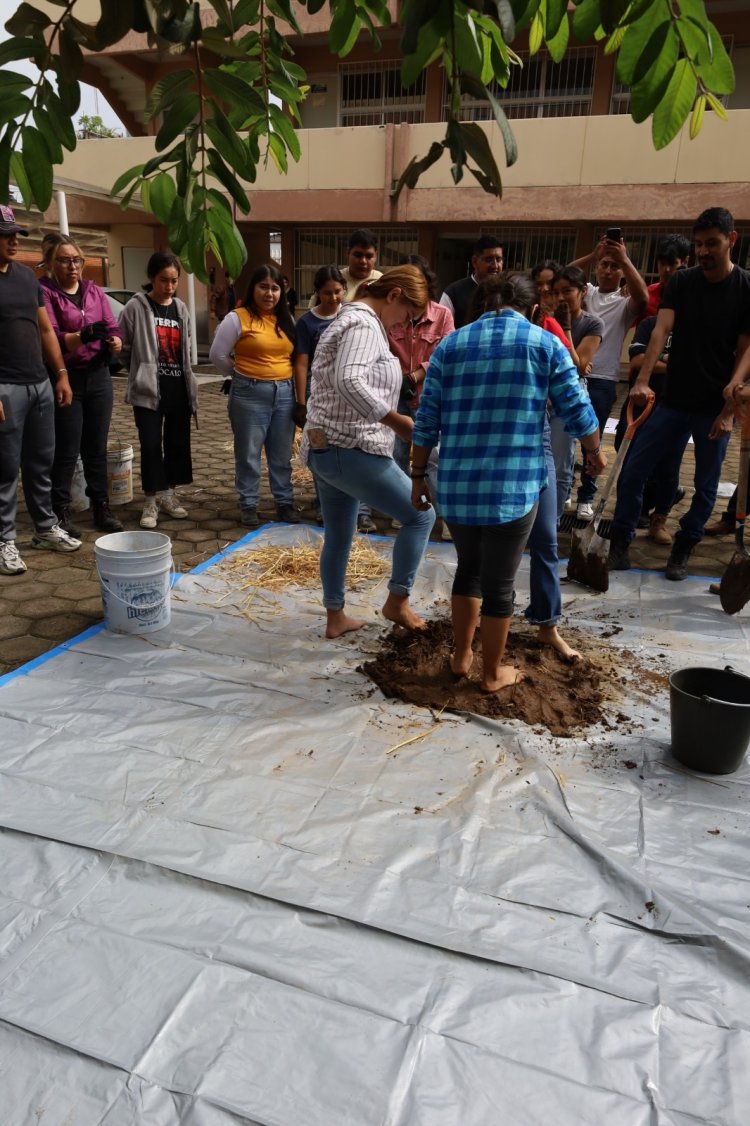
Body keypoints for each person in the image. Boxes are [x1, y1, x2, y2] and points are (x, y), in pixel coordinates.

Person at [412, 273, 603, 692]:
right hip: (513, 487)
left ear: (480, 306)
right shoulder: (545, 343)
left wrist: (417, 475)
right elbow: (577, 408)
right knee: (500, 584)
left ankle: (462, 656)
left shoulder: (450, 345)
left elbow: (426, 419)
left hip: (458, 485)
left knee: (469, 571)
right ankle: (492, 673)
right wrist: (594, 450)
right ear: (534, 310)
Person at [608, 207, 750, 580]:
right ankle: (620, 538)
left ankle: (685, 546)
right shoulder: (683, 283)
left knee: (706, 483)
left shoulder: (746, 288)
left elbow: (746, 349)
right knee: (635, 469)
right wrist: (640, 381)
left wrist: (730, 403)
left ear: (731, 240)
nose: (704, 251)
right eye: (699, 244)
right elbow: (660, 331)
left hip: (713, 408)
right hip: (672, 400)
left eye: (712, 244)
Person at [466, 276, 598, 662]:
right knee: (487, 549)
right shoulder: (465, 344)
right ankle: (477, 628)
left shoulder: (543, 343)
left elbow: (571, 400)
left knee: (544, 542)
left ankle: (546, 626)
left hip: (532, 449)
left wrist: (590, 445)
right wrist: (594, 451)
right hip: (487, 451)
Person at [301, 265, 435, 638]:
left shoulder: (348, 319)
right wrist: (396, 422)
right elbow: (348, 378)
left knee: (340, 535)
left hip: (325, 447)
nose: (402, 325)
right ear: (393, 296)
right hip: (351, 447)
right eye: (406, 315)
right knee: (420, 517)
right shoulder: (363, 324)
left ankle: (335, 617)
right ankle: (398, 601)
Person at [0, 207, 82, 574]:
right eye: (5, 235)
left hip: (39, 383)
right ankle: (4, 540)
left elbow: (46, 330)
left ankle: (45, 528)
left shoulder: (24, 278)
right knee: (5, 467)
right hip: (5, 388)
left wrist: (61, 374)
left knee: (40, 462)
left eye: (15, 233)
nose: (14, 240)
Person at [39, 233, 123, 536]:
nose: (72, 266)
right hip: (67, 377)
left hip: (98, 375)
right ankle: (59, 510)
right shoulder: (45, 292)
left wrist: (115, 341)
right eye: (64, 260)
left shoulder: (93, 290)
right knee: (67, 447)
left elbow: (112, 326)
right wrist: (85, 335)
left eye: (76, 259)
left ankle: (101, 504)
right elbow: (54, 337)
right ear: (49, 262)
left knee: (96, 447)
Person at [210, 264, 300, 528]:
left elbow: (293, 357)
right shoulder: (237, 317)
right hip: (249, 393)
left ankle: (284, 502)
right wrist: (240, 374)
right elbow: (218, 355)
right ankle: (249, 504)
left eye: (275, 288)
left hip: (284, 393)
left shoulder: (286, 320)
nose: (269, 293)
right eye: (263, 287)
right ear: (253, 289)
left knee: (281, 455)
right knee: (248, 453)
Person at [567, 234, 648, 520]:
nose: (608, 270)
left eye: (615, 266)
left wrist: (626, 260)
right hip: (569, 374)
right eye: (604, 264)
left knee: (594, 441)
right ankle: (565, 488)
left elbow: (644, 298)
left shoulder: (623, 301)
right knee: (563, 438)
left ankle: (586, 497)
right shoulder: (585, 292)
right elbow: (567, 276)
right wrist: (592, 255)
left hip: (602, 380)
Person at [119, 251, 198, 529]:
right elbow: (124, 347)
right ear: (151, 278)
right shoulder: (136, 307)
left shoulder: (180, 308)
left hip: (178, 388)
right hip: (148, 391)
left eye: (174, 280)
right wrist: (140, 373)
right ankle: (150, 502)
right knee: (151, 445)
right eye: (164, 280)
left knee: (177, 444)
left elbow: (185, 348)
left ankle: (169, 495)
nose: (169, 286)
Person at [387, 254, 454, 539]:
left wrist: (415, 375)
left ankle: (446, 515)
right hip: (396, 394)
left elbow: (446, 352)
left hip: (430, 395)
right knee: (398, 453)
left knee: (435, 456)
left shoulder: (442, 315)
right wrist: (398, 378)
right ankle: (406, 510)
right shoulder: (392, 314)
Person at [548, 265, 604, 520]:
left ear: (582, 291)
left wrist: (566, 329)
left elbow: (578, 366)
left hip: (568, 399)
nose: (561, 298)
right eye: (556, 292)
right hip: (542, 399)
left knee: (561, 466)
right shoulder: (543, 320)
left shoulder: (592, 323)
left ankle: (553, 521)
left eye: (567, 291)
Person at [293, 265, 347, 521]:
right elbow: (302, 363)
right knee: (320, 448)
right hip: (317, 398)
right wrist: (301, 402)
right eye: (327, 293)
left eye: (338, 292)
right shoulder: (307, 322)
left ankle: (345, 504)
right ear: (317, 293)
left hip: (345, 396)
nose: (334, 298)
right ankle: (324, 503)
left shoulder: (349, 316)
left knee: (344, 451)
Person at [439, 235, 504, 328]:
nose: (495, 266)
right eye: (489, 259)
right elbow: (442, 330)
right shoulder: (454, 293)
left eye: (498, 259)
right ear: (474, 261)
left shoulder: (509, 292)